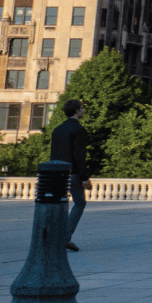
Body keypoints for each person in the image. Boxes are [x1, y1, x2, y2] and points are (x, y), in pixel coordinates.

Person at [50, 99, 90, 252]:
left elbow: (54, 152)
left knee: (59, 205)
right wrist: (85, 177)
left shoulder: (58, 129)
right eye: (81, 108)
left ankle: (52, 235)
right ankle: (64, 237)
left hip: (57, 171)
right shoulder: (78, 129)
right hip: (72, 173)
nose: (83, 111)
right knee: (79, 203)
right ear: (77, 111)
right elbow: (80, 155)